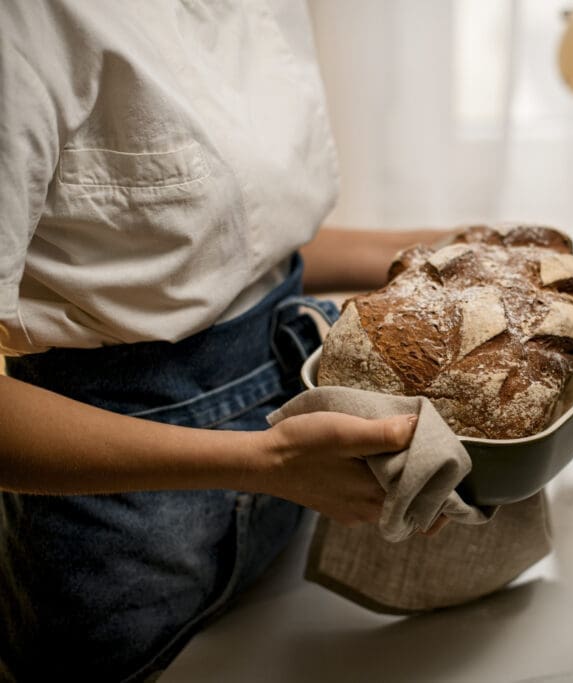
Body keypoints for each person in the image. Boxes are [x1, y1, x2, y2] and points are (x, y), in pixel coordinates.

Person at [0, 2, 449, 679]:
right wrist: (262, 461)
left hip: (290, 483)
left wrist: (443, 251)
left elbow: (237, 250)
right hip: (119, 531)